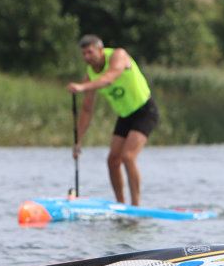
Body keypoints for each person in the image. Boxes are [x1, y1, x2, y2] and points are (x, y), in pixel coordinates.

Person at [66, 35, 159, 207]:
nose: (87, 57)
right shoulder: (90, 75)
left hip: (145, 111)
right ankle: (121, 205)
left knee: (128, 156)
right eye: (84, 54)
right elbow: (87, 110)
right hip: (125, 116)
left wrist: (82, 87)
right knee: (112, 160)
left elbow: (109, 78)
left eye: (90, 52)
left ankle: (136, 206)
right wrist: (78, 140)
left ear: (100, 50)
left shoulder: (118, 55)